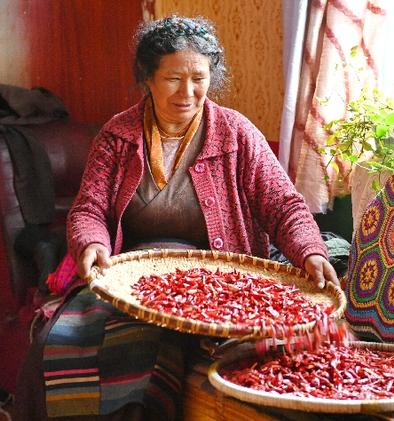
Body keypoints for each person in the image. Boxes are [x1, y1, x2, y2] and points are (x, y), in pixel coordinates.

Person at [16, 15, 338, 420]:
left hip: (217, 281)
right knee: (59, 340)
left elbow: (284, 204)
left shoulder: (236, 134)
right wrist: (93, 243)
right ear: (148, 79)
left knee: (153, 349)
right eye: (172, 79)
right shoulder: (118, 137)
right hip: (131, 278)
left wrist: (311, 251)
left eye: (199, 78)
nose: (188, 92)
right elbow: (90, 209)